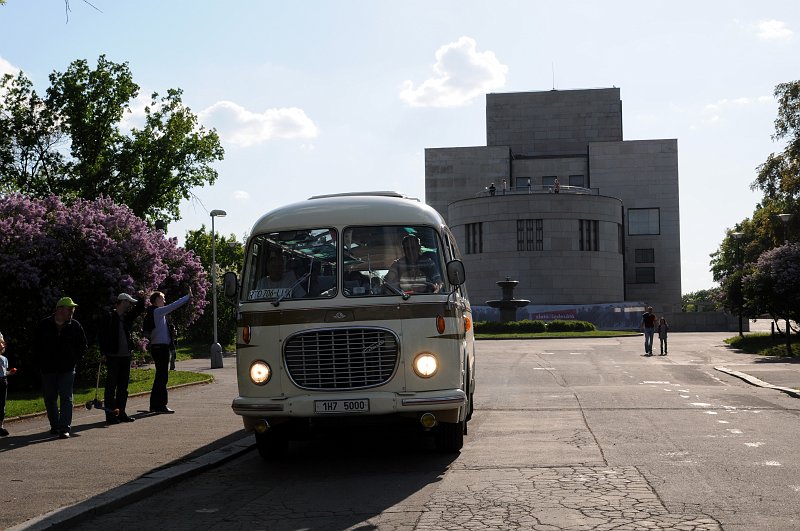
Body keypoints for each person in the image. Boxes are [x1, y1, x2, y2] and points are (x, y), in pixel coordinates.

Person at [33, 296, 88, 439]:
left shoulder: (75, 326)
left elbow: (83, 346)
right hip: (47, 368)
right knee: (50, 398)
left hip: (67, 368)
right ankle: (55, 425)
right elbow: (36, 346)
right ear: (59, 309)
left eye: (73, 309)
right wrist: (41, 361)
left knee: (66, 398)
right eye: (69, 308)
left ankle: (64, 428)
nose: (72, 311)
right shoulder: (44, 325)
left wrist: (74, 360)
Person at [98, 292, 145, 424]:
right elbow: (102, 336)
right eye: (129, 302)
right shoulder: (108, 316)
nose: (130, 305)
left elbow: (139, 309)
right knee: (111, 387)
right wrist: (103, 353)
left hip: (125, 356)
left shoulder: (126, 317)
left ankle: (121, 413)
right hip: (113, 356)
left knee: (123, 388)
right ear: (123, 302)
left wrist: (141, 298)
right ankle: (111, 415)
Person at [148, 289, 191, 413]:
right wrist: (187, 297)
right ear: (156, 300)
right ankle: (160, 405)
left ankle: (154, 405)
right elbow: (173, 306)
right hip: (160, 348)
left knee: (160, 377)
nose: (164, 301)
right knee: (162, 377)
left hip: (159, 347)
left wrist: (170, 333)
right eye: (162, 298)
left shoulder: (158, 314)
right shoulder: (157, 311)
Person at [1, 331, 18, 437]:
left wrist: (9, 373)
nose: (3, 345)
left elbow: (3, 372)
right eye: (1, 343)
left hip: (2, 382)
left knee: (1, 404)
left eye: (3, 343)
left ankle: (0, 426)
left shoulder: (4, 359)